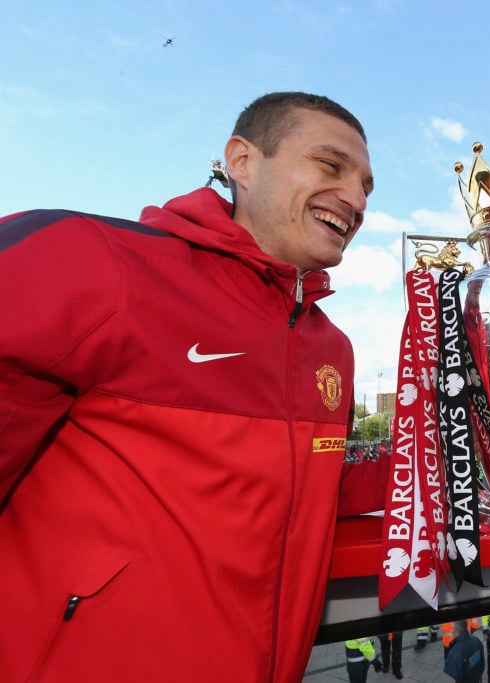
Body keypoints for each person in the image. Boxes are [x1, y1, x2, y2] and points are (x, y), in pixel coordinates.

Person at [0, 91, 388, 682]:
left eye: (366, 186)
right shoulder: (95, 261)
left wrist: (462, 459)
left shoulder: (329, 345)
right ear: (242, 161)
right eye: (330, 165)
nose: (356, 199)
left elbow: (311, 488)